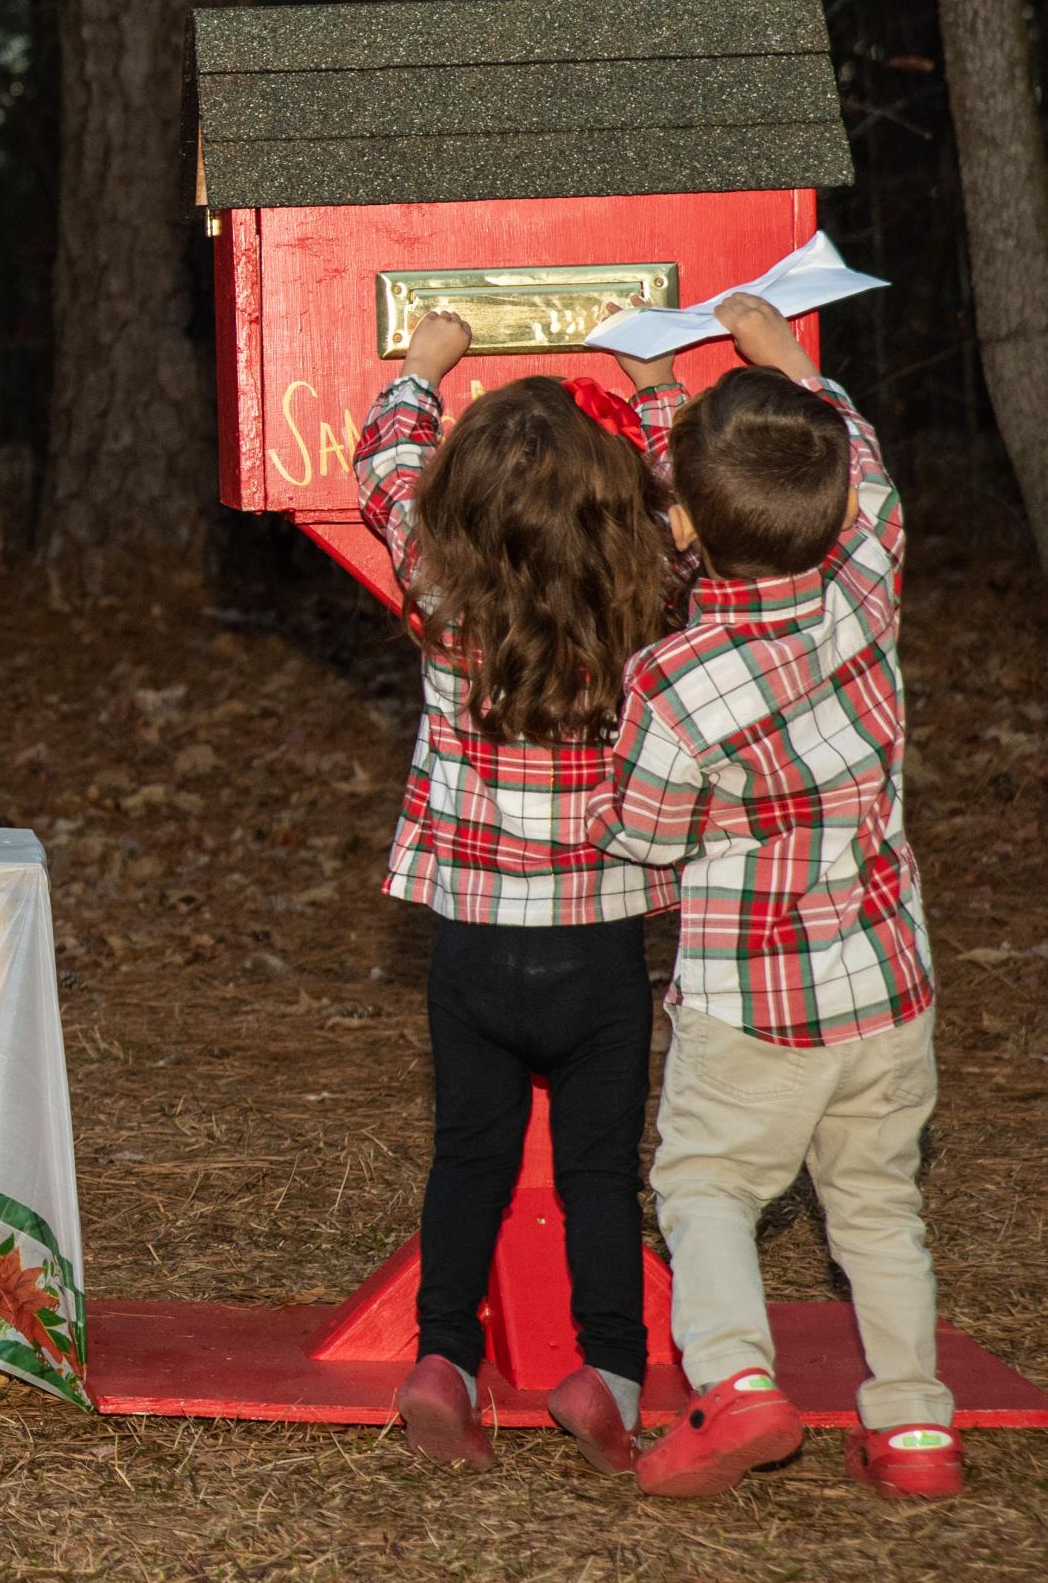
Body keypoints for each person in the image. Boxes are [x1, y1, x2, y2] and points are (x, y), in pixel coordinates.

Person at [589, 294, 956, 1501]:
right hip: (886, 985)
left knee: (703, 1187)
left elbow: (642, 835)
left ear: (681, 523)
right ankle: (911, 1430)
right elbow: (867, 481)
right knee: (874, 1205)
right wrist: (792, 363)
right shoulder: (866, 586)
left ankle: (735, 1385)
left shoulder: (673, 677)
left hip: (750, 1002)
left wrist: (652, 398)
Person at [353, 310, 684, 1475]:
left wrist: (422, 371)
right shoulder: (646, 602)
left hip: (474, 947)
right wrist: (654, 390)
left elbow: (388, 469)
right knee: (599, 1169)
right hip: (597, 948)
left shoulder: (444, 593)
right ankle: (608, 1372)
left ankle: (441, 1357)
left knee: (469, 1156)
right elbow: (695, 500)